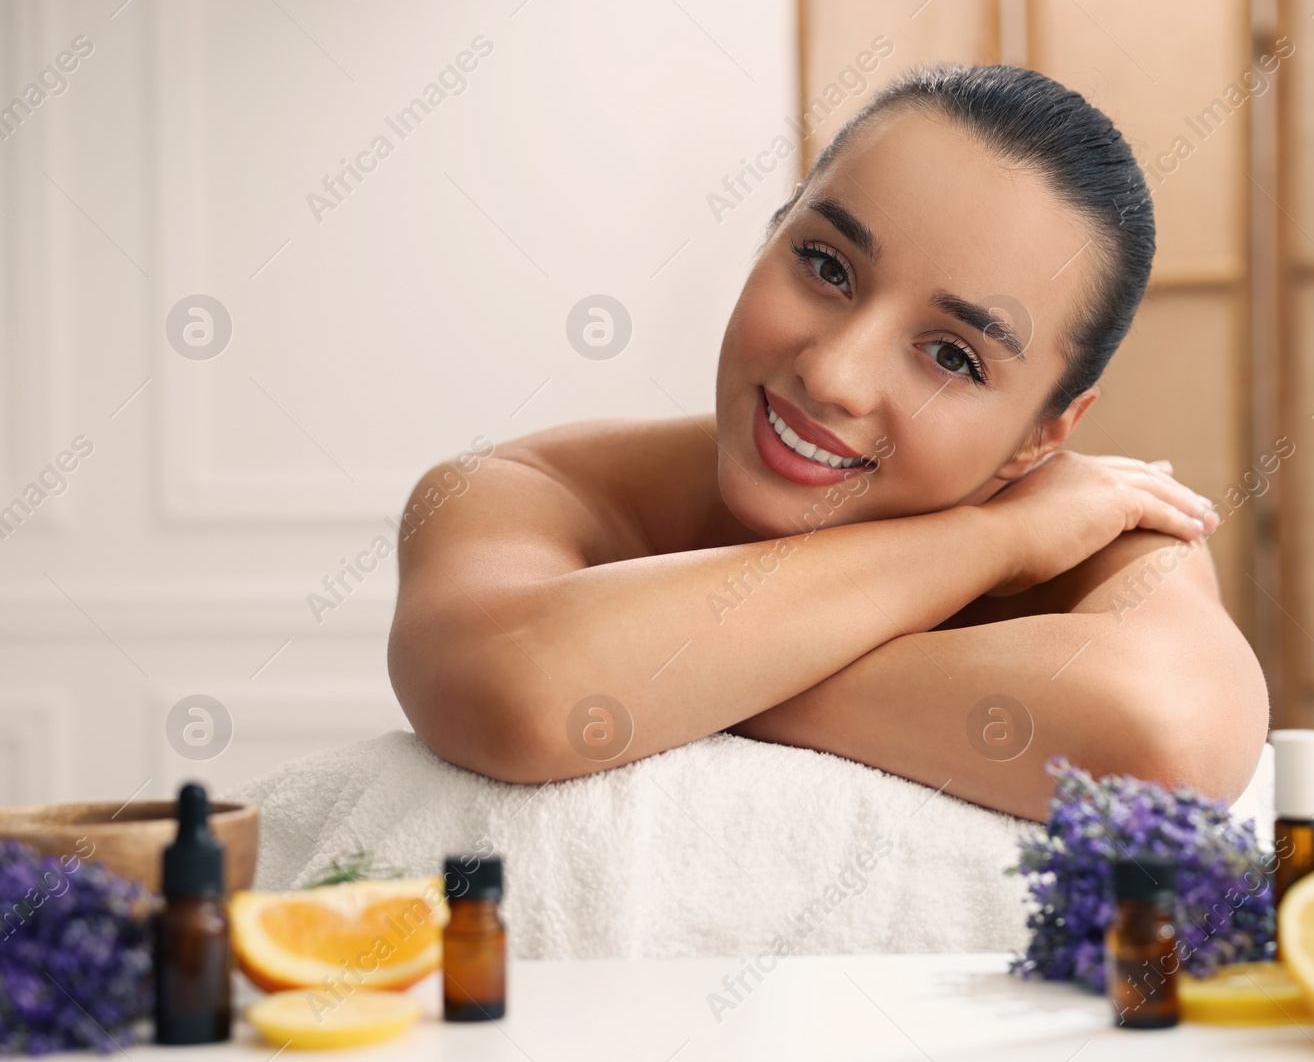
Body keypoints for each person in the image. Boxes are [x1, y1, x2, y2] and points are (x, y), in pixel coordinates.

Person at [387, 64, 1268, 823]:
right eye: (827, 266)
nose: (835, 375)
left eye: (954, 357)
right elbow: (520, 690)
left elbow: (1164, 745)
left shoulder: (1108, 536)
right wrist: (988, 541)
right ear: (773, 230)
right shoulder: (520, 488)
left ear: (1043, 436)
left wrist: (663, 671)